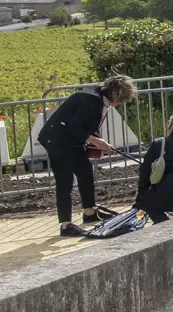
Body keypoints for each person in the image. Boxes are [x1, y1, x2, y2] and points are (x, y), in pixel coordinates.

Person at [38, 74, 135, 236]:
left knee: (84, 171)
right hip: (56, 139)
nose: (118, 104)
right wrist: (97, 142)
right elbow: (74, 128)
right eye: (120, 100)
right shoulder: (91, 101)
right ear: (115, 95)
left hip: (69, 140)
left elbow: (85, 127)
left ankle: (89, 212)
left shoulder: (96, 99)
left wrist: (99, 142)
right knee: (64, 180)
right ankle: (65, 224)